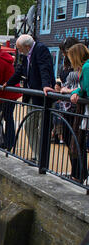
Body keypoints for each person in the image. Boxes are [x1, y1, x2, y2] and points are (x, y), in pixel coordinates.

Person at [5, 34, 56, 161]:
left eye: (20, 48)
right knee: (29, 125)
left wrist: (46, 85)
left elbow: (45, 68)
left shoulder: (40, 49)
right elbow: (20, 70)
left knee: (42, 128)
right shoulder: (26, 54)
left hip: (41, 95)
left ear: (27, 46)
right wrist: (8, 83)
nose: (19, 51)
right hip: (33, 95)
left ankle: (41, 159)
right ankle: (38, 156)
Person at [68, 43, 89, 182]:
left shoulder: (86, 67)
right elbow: (83, 89)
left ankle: (82, 176)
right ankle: (82, 176)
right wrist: (75, 92)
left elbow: (86, 90)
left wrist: (77, 93)